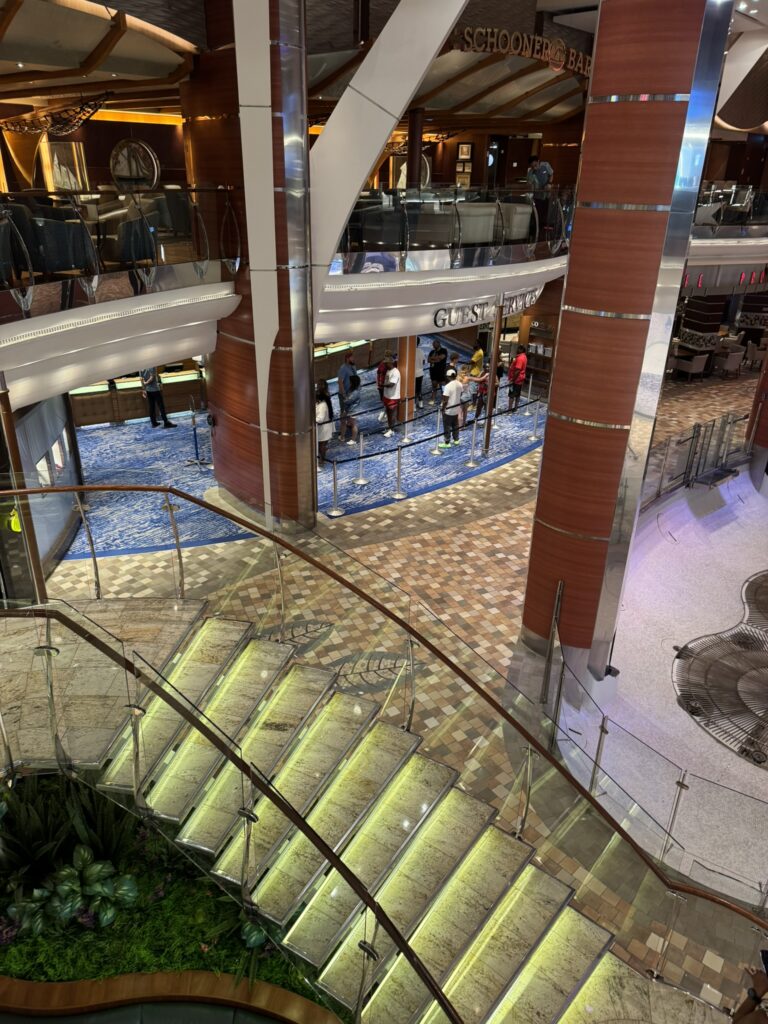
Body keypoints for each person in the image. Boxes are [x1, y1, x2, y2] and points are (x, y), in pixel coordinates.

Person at [337, 350, 360, 445]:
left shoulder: (353, 367)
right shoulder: (343, 368)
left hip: (352, 395)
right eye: (352, 357)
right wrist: (344, 395)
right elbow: (340, 382)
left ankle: (348, 436)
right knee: (343, 416)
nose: (353, 359)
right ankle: (342, 436)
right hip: (345, 396)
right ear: (347, 358)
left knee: (350, 417)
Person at [438, 368, 462, 449]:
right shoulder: (459, 384)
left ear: (448, 377)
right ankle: (456, 440)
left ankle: (447, 442)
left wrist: (443, 409)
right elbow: (460, 394)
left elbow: (445, 400)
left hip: (449, 409)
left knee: (447, 426)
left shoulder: (447, 387)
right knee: (455, 424)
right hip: (456, 408)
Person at [382, 356, 401, 437]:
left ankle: (392, 430)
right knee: (388, 413)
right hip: (387, 395)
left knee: (392, 413)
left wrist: (382, 385)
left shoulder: (395, 372)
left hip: (393, 396)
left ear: (390, 363)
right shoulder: (388, 371)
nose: (385, 365)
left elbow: (391, 384)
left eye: (386, 363)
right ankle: (389, 428)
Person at [315, 385, 333, 465]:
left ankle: (322, 461)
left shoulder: (322, 406)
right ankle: (321, 459)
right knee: (320, 446)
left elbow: (320, 419)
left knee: (321, 446)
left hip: (323, 429)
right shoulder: (318, 404)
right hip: (321, 429)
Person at [508, 344, 528, 412]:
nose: (517, 350)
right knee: (517, 394)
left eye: (518, 349)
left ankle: (510, 409)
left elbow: (517, 370)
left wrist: (512, 380)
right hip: (520, 379)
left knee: (512, 395)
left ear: (521, 350)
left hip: (516, 380)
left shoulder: (520, 358)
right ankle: (515, 408)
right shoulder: (524, 356)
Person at [428, 338, 447, 404]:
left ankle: (443, 400)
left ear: (438, 344)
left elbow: (441, 357)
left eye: (434, 344)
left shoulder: (444, 350)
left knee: (443, 386)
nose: (433, 346)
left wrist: (433, 359)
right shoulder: (432, 352)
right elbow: (428, 360)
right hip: (433, 371)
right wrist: (436, 359)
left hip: (441, 371)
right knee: (434, 385)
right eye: (433, 344)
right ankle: (433, 398)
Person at [376, 351, 390, 422]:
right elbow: (378, 374)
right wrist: (379, 384)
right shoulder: (382, 364)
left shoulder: (386, 365)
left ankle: (386, 413)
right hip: (382, 386)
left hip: (385, 386)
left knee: (386, 400)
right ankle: (385, 413)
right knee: (384, 400)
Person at [414, 341, 425, 409]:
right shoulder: (421, 351)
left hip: (413, 374)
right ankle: (421, 403)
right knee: (419, 389)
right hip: (420, 373)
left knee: (413, 390)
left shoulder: (410, 351)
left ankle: (414, 405)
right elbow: (423, 362)